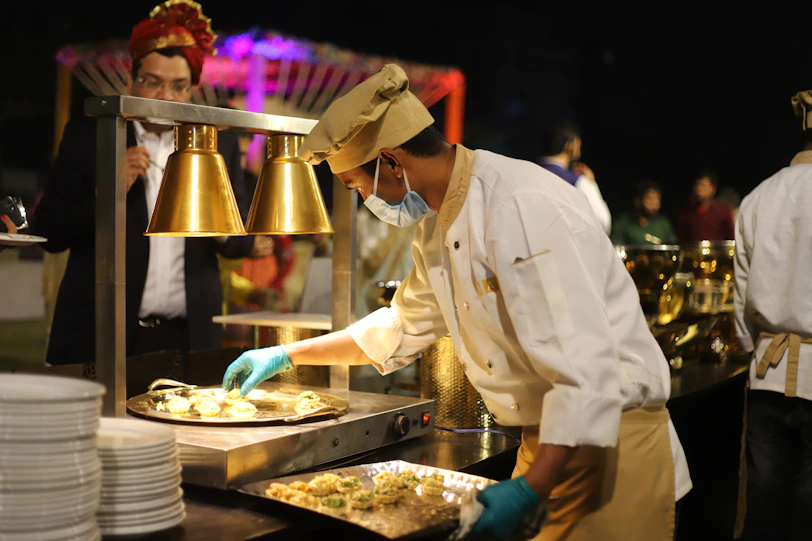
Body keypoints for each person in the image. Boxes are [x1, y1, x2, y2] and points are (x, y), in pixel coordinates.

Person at [220, 64, 691, 540]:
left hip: (609, 446)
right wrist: (284, 355)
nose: (363, 198)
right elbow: (398, 329)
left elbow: (586, 369)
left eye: (355, 185)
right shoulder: (436, 227)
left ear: (391, 161)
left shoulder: (518, 204)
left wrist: (532, 488)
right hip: (543, 444)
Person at [31, 0, 270, 365]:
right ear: (131, 81)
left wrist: (222, 224)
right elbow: (49, 232)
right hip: (99, 334)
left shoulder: (216, 145)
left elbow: (235, 242)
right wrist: (106, 190)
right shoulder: (90, 135)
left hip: (190, 337)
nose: (165, 97)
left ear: (192, 90)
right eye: (153, 83)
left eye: (178, 86)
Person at [732, 90, 812, 541]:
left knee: (764, 510)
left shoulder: (758, 197)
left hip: (768, 375)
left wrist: (753, 347)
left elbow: (742, 294)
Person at [539, 121, 612, 235]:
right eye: (578, 143)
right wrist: (591, 184)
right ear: (569, 146)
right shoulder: (578, 180)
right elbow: (602, 222)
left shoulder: (526, 174)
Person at [610, 180, 677, 245]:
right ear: (637, 201)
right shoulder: (623, 222)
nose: (654, 203)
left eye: (657, 198)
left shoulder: (663, 222)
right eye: (649, 198)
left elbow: (672, 245)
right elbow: (617, 247)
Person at [677, 171, 735, 242]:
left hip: (718, 252)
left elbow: (731, 239)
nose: (699, 189)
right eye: (697, 185)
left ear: (713, 189)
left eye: (703, 185)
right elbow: (681, 239)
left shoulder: (723, 211)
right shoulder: (686, 213)